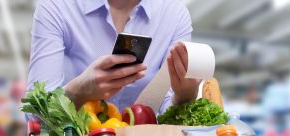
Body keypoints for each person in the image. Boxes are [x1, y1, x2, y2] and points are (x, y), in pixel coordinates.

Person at [27, 0, 200, 113]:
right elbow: (35, 110)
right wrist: (79, 91)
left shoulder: (175, 15)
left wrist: (183, 96)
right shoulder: (56, 6)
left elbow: (164, 108)